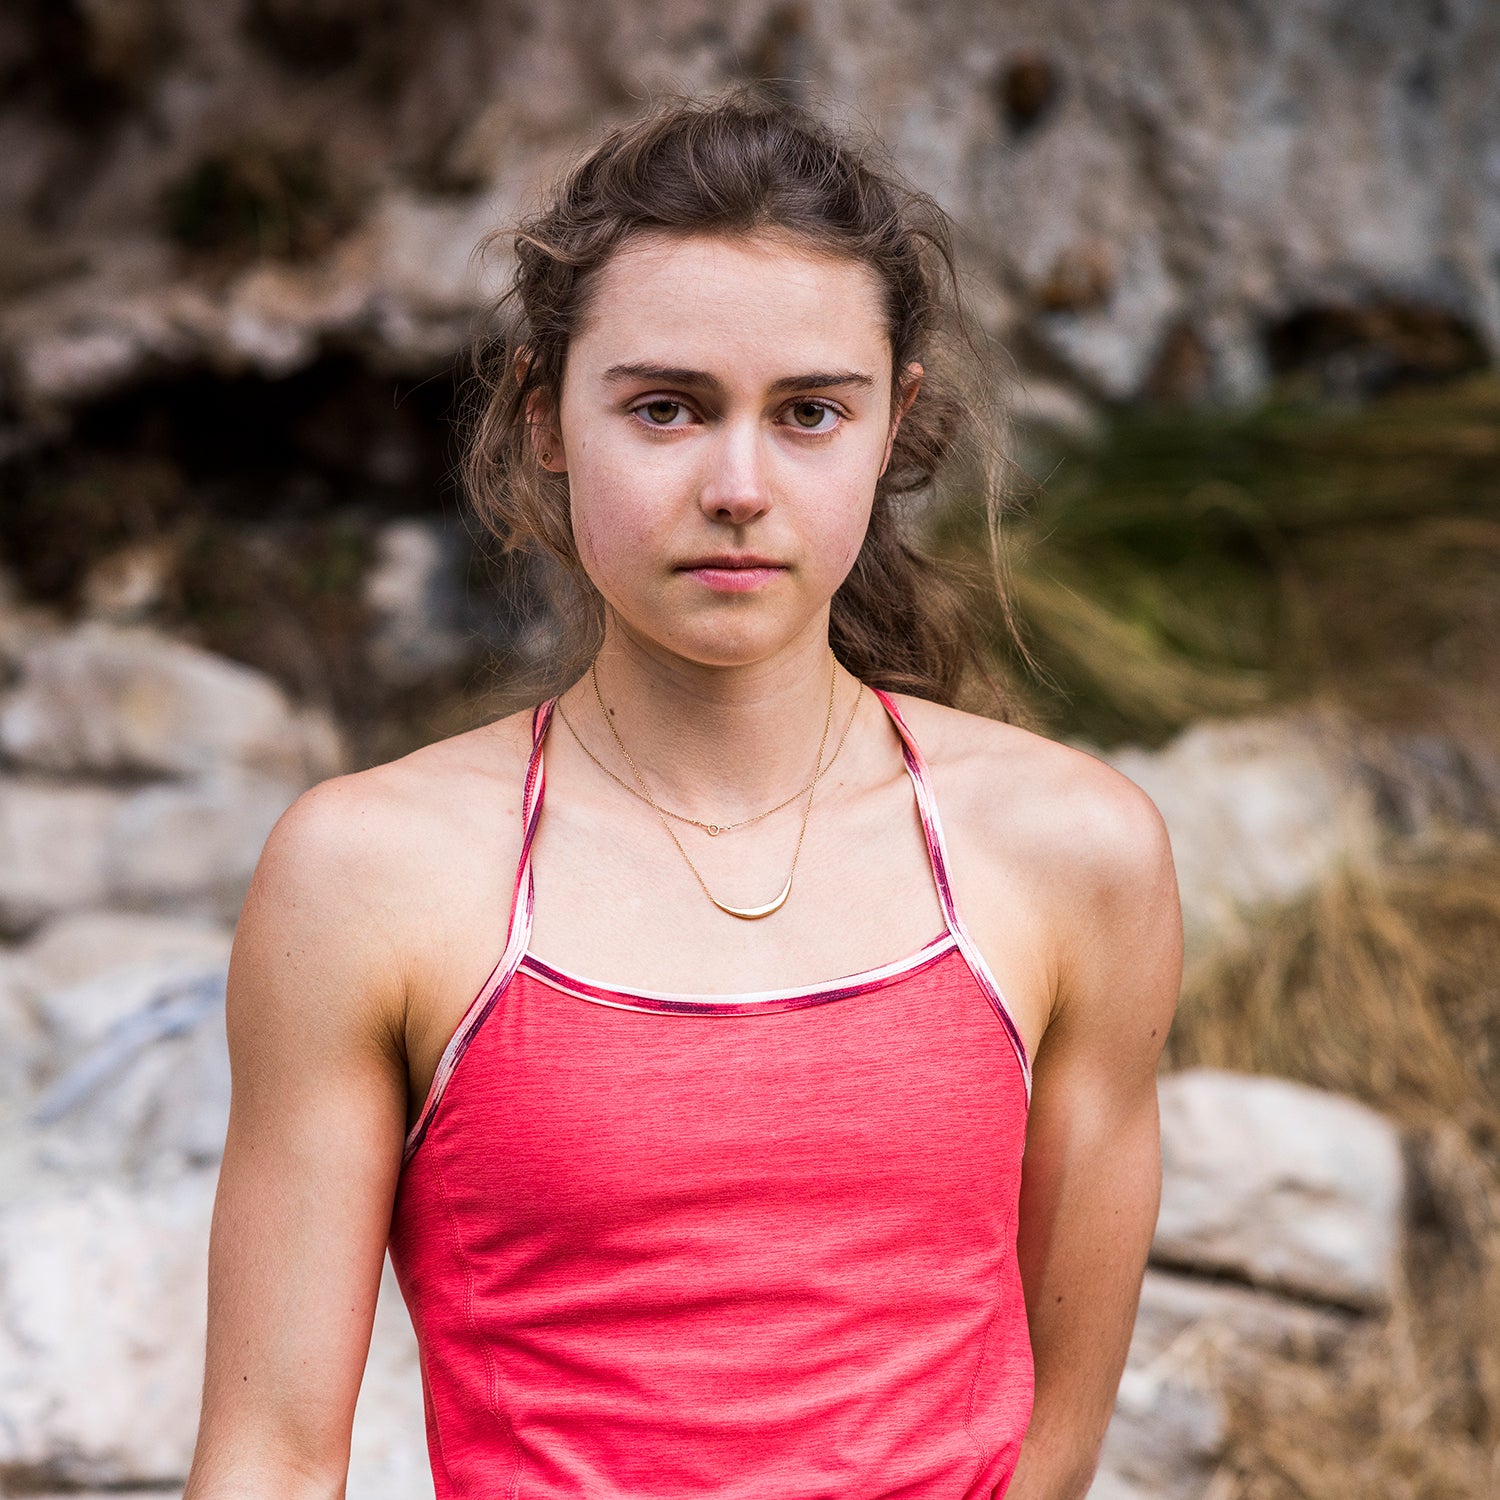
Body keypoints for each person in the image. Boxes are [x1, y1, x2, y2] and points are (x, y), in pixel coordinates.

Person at [184, 89, 1181, 1500]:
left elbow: (1051, 1456)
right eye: (665, 407)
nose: (736, 484)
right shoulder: (372, 872)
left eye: (810, 415)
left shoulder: (1072, 854)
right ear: (548, 421)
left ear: (894, 427)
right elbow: (271, 1459)